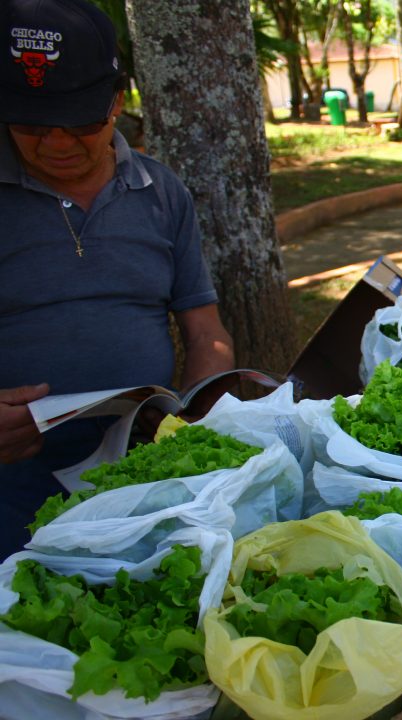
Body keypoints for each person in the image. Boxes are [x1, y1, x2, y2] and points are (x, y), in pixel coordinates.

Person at [0, 0, 235, 558]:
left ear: (117, 101)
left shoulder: (161, 191)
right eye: (31, 123)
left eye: (80, 122)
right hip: (12, 489)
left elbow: (206, 334)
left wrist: (190, 417)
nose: (56, 143)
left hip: (138, 480)